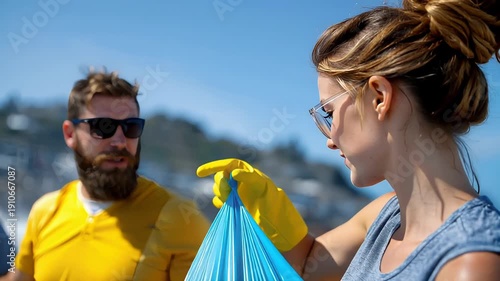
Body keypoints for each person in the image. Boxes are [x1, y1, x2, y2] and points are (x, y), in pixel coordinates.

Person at [196, 0, 500, 280]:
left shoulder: (471, 262)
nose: (329, 140)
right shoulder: (384, 214)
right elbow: (309, 264)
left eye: (328, 113)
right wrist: (271, 215)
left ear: (379, 97)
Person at [6, 69, 210, 281]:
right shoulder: (44, 211)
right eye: (103, 127)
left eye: (131, 127)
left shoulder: (180, 218)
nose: (120, 141)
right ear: (69, 133)